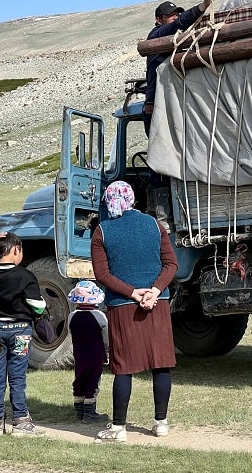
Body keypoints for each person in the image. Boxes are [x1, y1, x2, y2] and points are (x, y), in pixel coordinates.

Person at [91, 181, 178, 443]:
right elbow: (171, 264)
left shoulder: (102, 232)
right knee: (160, 363)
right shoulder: (155, 225)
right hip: (157, 303)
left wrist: (132, 293)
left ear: (109, 201)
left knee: (123, 368)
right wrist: (154, 290)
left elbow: (102, 274)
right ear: (132, 200)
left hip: (122, 305)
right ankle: (161, 423)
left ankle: (118, 428)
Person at [0, 231, 47, 437]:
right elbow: (38, 306)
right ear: (16, 250)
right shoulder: (25, 275)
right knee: (17, 377)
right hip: (20, 332)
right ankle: (21, 422)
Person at [143, 0, 217, 136]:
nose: (175, 17)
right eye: (170, 15)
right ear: (158, 20)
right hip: (157, 103)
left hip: (172, 98)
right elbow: (176, 25)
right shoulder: (156, 36)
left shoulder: (175, 41)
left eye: (177, 14)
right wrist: (202, 6)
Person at [68, 280, 109, 424]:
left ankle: (78, 410)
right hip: (95, 354)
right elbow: (106, 338)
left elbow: (71, 334)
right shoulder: (100, 317)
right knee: (93, 380)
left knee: (79, 379)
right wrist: (107, 353)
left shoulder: (71, 316)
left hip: (79, 353)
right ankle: (89, 412)